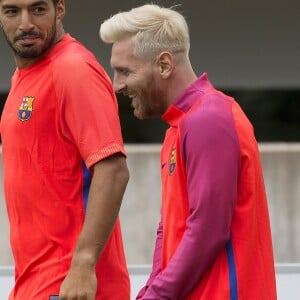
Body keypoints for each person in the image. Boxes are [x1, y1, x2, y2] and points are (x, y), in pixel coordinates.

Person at [100, 4, 277, 300]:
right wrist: (150, 291)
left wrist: (157, 295)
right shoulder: (179, 127)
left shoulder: (208, 119)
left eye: (124, 71)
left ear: (165, 65)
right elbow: (168, 229)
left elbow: (207, 230)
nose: (117, 86)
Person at [0, 0, 130, 299]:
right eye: (11, 11)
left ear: (59, 10)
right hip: (37, 281)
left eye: (38, 9)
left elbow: (113, 170)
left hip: (71, 284)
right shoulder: (26, 76)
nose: (25, 23)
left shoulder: (73, 68)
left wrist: (83, 265)